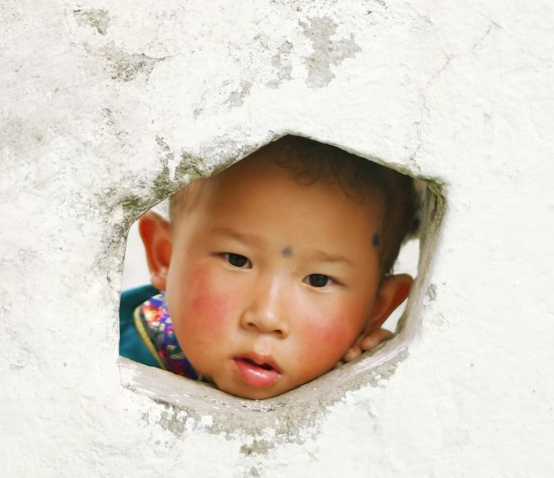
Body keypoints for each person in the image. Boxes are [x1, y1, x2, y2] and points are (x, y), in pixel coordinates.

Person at [119, 135, 418, 399]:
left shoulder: (372, 409)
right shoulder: (98, 357)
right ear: (165, 256)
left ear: (376, 309)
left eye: (318, 280)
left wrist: (370, 382)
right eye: (237, 260)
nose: (267, 316)